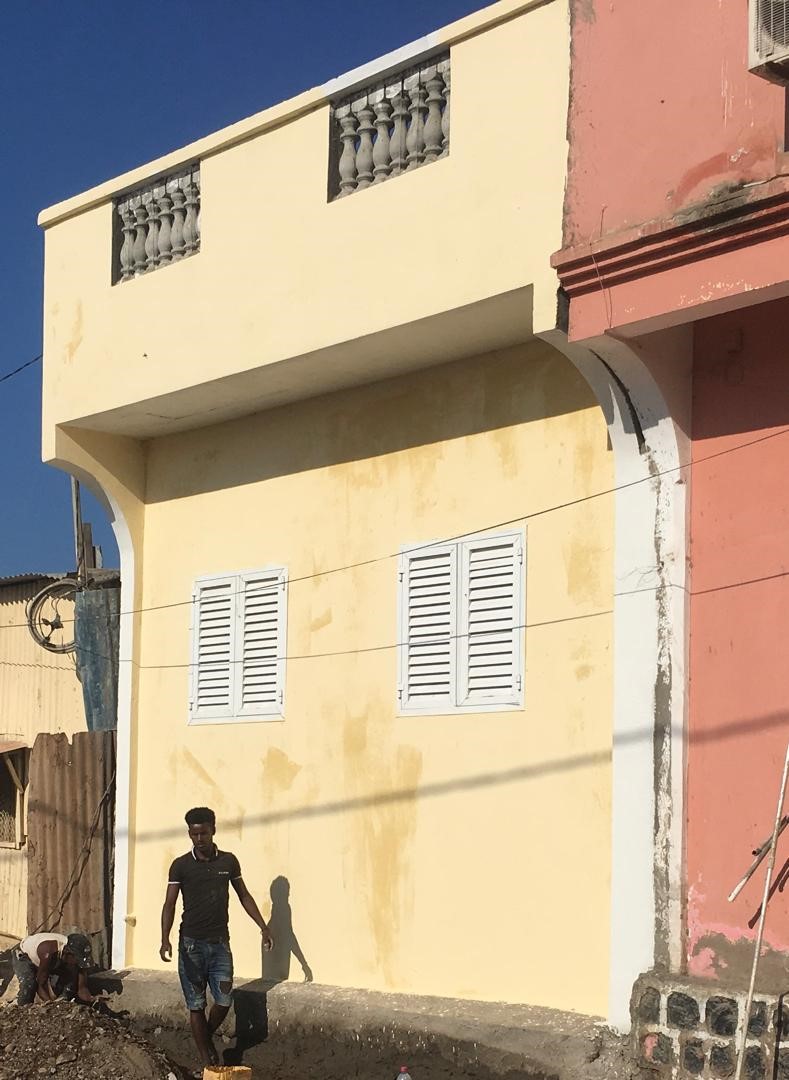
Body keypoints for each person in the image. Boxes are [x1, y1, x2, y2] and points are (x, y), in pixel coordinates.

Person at [160, 806, 274, 1070]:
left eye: (203, 833)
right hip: (190, 945)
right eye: (193, 834)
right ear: (189, 834)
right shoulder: (180, 866)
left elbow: (243, 895)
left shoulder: (228, 862)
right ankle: (206, 1058)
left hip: (220, 943)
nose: (199, 839)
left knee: (224, 1000)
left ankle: (205, 1037)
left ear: (213, 830)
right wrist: (164, 938)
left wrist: (263, 926)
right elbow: (169, 905)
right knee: (196, 1003)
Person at [11, 931, 95, 1005]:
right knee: (29, 984)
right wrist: (52, 1006)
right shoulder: (48, 953)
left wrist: (91, 998)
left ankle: (63, 1001)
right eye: (77, 960)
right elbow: (41, 985)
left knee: (71, 980)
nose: (78, 964)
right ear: (67, 953)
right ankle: (22, 1012)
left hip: (51, 958)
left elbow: (82, 987)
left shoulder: (71, 954)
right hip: (24, 954)